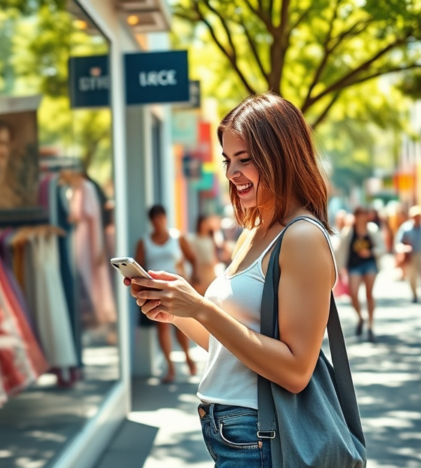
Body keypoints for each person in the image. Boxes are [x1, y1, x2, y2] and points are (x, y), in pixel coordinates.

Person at [125, 93, 339, 467]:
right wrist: (175, 311)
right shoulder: (253, 232)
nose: (231, 174)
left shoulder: (302, 237)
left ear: (281, 155)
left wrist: (202, 308)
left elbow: (295, 371)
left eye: (245, 159)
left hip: (260, 433)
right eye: (227, 160)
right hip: (226, 429)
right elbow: (231, 347)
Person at [135, 205, 199, 383]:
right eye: (154, 220)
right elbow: (138, 265)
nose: (158, 223)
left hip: (175, 286)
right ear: (151, 222)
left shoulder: (177, 237)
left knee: (181, 325)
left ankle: (187, 357)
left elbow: (192, 258)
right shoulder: (144, 241)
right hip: (155, 289)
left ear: (165, 218)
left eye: (161, 219)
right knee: (162, 326)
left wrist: (194, 278)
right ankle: (170, 367)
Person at [336, 207, 385, 342]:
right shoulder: (348, 231)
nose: (363, 217)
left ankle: (370, 325)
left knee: (369, 293)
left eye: (365, 214)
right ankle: (360, 317)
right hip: (354, 266)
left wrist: (370, 252)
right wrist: (340, 269)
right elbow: (341, 250)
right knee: (353, 294)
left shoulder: (372, 229)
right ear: (356, 216)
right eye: (360, 215)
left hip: (369, 264)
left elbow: (382, 247)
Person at [395, 206, 421, 304]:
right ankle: (414, 295)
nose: (417, 218)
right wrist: (404, 249)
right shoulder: (406, 228)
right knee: (412, 276)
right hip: (411, 256)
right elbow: (398, 243)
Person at [187, 215, 220, 295]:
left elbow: (214, 255)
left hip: (210, 272)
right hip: (200, 272)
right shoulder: (193, 239)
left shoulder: (210, 238)